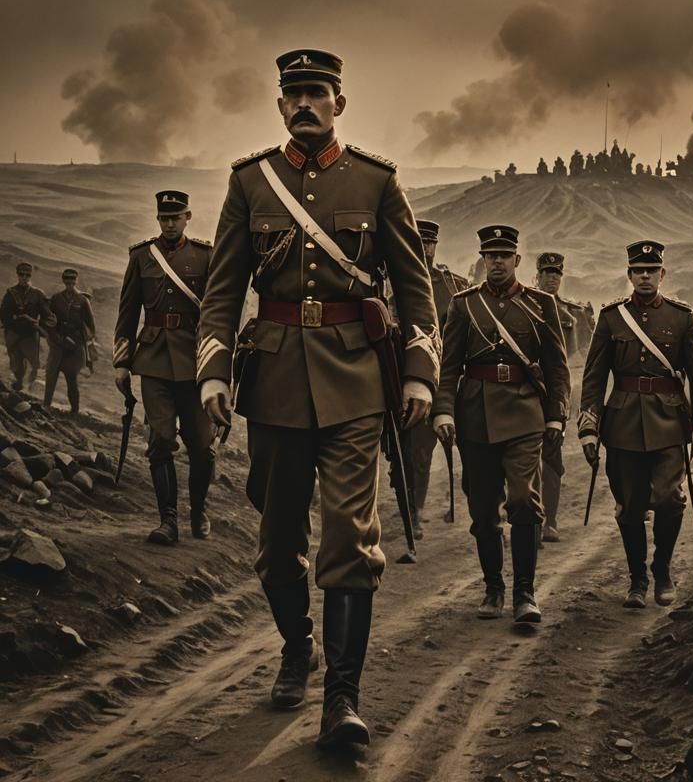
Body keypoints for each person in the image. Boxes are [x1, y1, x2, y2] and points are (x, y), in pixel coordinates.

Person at [197, 49, 438, 749]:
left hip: (356, 383)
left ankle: (342, 697)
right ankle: (297, 644)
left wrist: (420, 370)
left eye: (317, 92)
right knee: (276, 550)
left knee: (349, 541)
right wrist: (213, 373)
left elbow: (415, 287)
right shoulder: (250, 183)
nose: (305, 103)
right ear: (279, 105)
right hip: (272, 384)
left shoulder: (377, 180)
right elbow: (222, 289)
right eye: (293, 93)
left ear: (339, 102)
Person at [434, 226, 569, 623]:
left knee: (525, 501)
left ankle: (524, 593)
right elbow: (449, 367)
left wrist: (557, 413)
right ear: (482, 259)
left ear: (517, 261)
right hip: (475, 416)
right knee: (482, 509)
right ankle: (493, 587)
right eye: (490, 255)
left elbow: (558, 368)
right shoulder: (464, 305)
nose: (496, 261)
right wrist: (444, 409)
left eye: (503, 256)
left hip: (526, 414)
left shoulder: (541, 305)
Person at [578, 240, 693, 608]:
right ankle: (637, 578)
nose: (644, 277)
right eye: (638, 271)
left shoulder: (681, 317)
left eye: (651, 271)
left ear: (662, 274)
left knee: (670, 499)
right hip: (622, 422)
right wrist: (589, 425)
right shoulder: (611, 318)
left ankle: (663, 568)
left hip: (670, 421)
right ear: (629, 275)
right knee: (630, 506)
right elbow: (594, 377)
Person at [114, 191, 217, 545]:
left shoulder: (206, 256)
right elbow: (127, 312)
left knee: (202, 446)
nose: (170, 224)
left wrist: (220, 363)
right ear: (158, 219)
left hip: (195, 363)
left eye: (176, 217)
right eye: (164, 218)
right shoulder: (142, 257)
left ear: (188, 216)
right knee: (160, 440)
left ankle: (198, 510)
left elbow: (219, 312)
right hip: (155, 360)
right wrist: (122, 363)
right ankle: (168, 521)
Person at [402, 219, 467, 538]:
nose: (425, 249)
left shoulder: (451, 286)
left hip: (442, 379)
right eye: (420, 242)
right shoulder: (394, 280)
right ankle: (408, 508)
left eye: (430, 243)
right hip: (402, 375)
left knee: (427, 450)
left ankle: (415, 512)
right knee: (408, 451)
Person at [534, 251, 590, 542]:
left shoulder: (571, 315)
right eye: (547, 274)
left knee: (552, 459)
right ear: (537, 275)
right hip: (525, 392)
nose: (552, 279)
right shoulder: (523, 305)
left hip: (555, 395)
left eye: (556, 274)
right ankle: (526, 516)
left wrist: (571, 394)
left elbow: (579, 356)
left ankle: (549, 520)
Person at [43, 268, 95, 415]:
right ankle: (46, 405)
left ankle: (74, 411)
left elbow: (91, 326)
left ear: (76, 280)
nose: (70, 282)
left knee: (72, 380)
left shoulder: (83, 300)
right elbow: (48, 322)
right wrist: (56, 338)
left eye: (72, 279)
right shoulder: (56, 298)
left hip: (74, 347)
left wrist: (81, 341)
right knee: (51, 375)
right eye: (67, 279)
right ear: (63, 280)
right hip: (58, 344)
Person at [1, 262, 51, 391]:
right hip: (14, 334)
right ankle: (18, 388)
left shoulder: (38, 294)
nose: (24, 277)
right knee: (16, 366)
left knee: (35, 365)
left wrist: (39, 325)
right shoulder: (11, 293)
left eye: (27, 275)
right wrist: (13, 321)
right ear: (18, 275)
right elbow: (3, 314)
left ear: (30, 276)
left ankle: (32, 391)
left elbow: (47, 315)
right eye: (21, 274)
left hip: (30, 335)